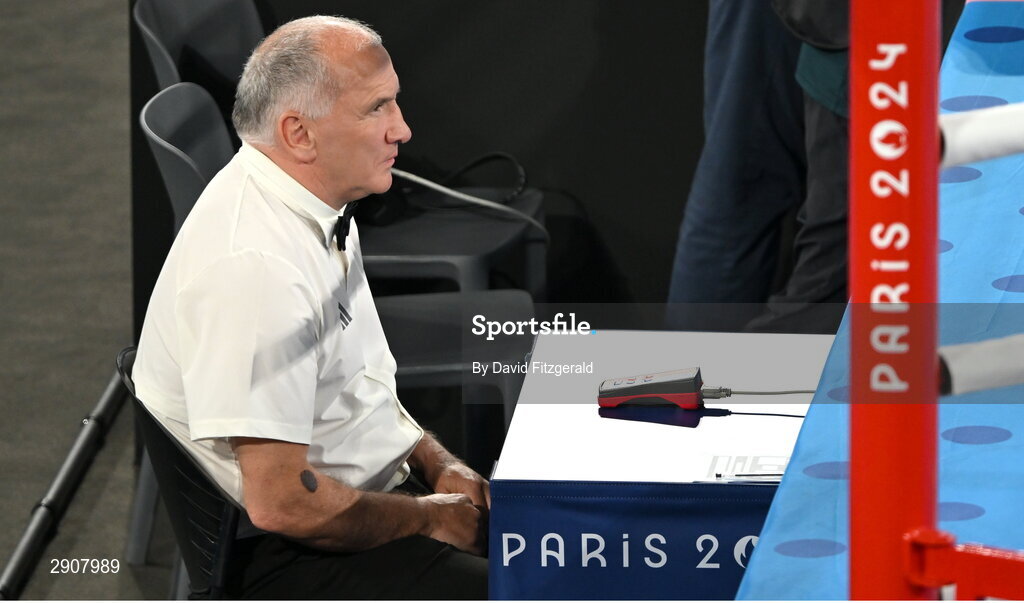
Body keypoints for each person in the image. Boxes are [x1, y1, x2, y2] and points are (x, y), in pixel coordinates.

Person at [132, 16, 489, 599]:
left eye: (394, 102)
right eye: (376, 109)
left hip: (370, 495)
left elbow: (358, 389)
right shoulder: (256, 269)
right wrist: (429, 516)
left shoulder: (313, 199)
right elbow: (285, 504)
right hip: (297, 556)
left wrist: (434, 460)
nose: (402, 129)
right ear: (299, 134)